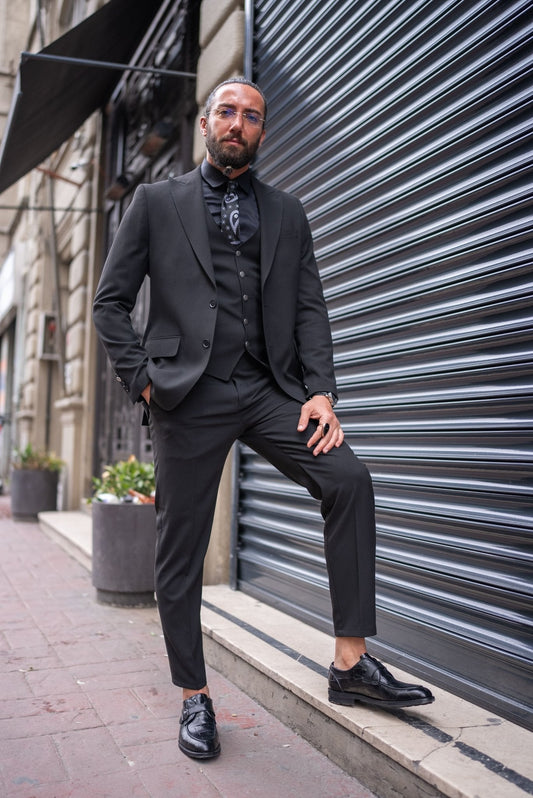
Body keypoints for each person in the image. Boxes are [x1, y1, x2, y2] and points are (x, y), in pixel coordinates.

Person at [93, 77, 434, 761]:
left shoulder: (288, 212)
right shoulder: (155, 204)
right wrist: (144, 381)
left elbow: (309, 306)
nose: (238, 123)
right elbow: (110, 302)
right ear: (204, 122)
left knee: (347, 478)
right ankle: (194, 696)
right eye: (227, 111)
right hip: (187, 394)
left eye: (251, 115)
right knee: (180, 549)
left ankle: (348, 664)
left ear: (262, 131)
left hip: (267, 388)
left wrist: (320, 392)